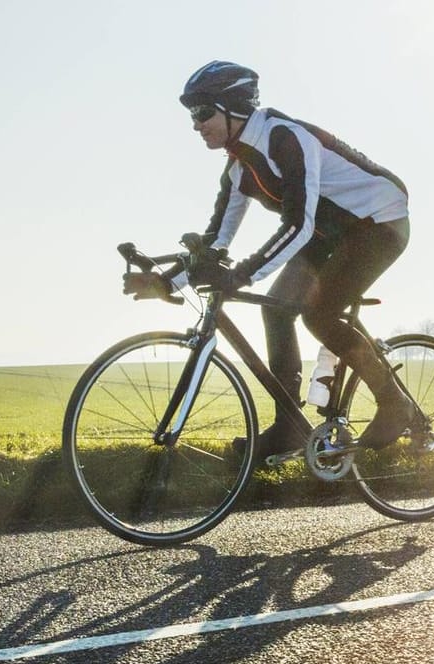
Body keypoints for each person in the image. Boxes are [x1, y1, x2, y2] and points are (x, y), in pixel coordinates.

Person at [125, 60, 418, 458]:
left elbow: (299, 224)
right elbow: (213, 243)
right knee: (277, 311)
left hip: (378, 222)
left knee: (319, 313)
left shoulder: (285, 139)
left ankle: (394, 403)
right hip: (328, 233)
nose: (196, 124)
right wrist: (165, 282)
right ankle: (289, 428)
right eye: (192, 116)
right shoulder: (238, 167)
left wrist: (241, 276)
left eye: (202, 112)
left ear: (233, 108)